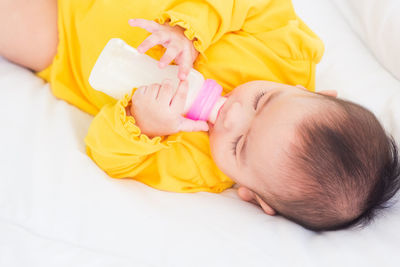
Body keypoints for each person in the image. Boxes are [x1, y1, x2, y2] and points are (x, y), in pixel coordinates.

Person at [1, 0, 399, 231]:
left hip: (64, 42)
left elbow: (107, 154)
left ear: (254, 196)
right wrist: (188, 30)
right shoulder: (286, 51)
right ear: (307, 90)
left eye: (240, 146)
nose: (231, 115)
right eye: (262, 101)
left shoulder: (198, 167)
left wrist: (142, 124)